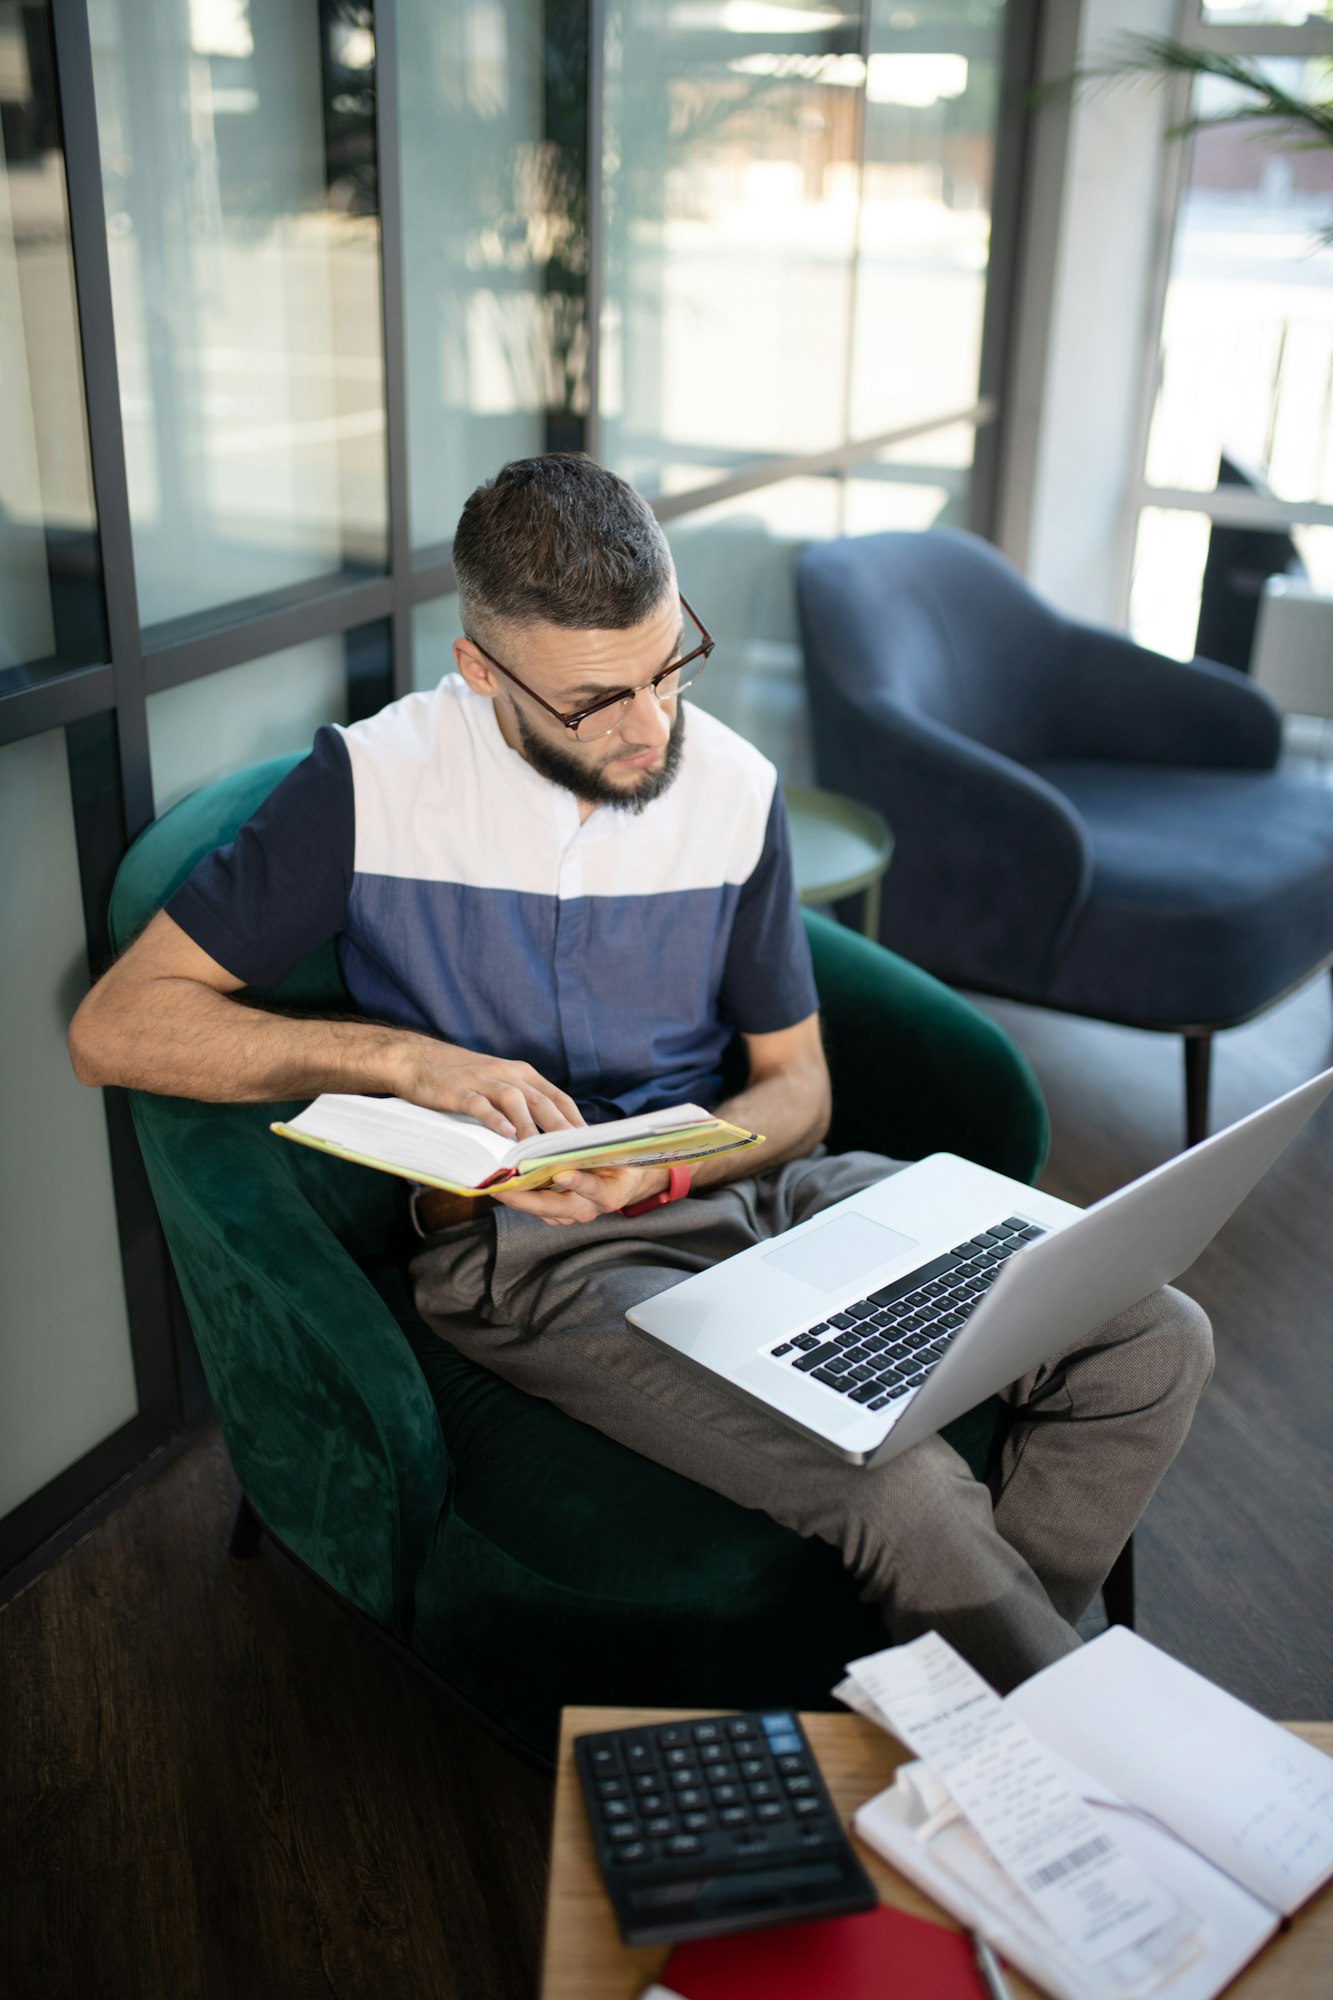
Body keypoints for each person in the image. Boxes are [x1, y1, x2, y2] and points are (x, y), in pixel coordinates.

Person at [69, 454, 1213, 1692]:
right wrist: (400, 1056)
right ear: (481, 673)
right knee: (904, 1485)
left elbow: (797, 1089)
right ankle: (1062, 1766)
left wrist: (676, 1156)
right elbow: (117, 1027)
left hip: (767, 1191)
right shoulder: (369, 787)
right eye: (594, 700)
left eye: (668, 664)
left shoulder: (729, 785)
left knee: (1153, 1333)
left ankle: (979, 1733)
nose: (650, 723)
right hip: (537, 1258)